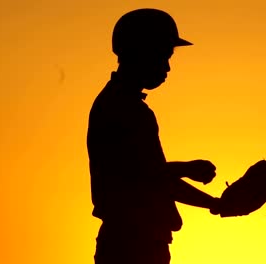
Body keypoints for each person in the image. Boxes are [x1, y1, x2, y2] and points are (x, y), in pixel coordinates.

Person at [86, 8, 221, 264]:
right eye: (163, 56)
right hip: (132, 245)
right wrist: (188, 169)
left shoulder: (122, 105)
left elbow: (156, 178)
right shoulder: (122, 108)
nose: (167, 66)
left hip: (141, 242)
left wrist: (214, 203)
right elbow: (141, 175)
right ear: (140, 52)